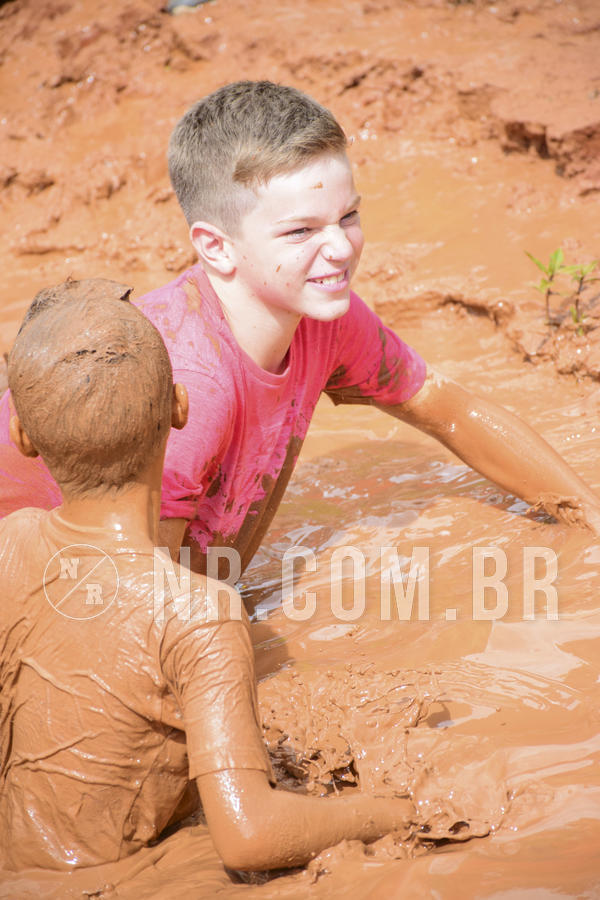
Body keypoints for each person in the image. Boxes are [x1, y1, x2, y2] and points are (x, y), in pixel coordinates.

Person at [1, 81, 599, 572]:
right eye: (301, 231)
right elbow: (137, 600)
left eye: (349, 215)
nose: (340, 248)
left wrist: (588, 520)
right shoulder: (190, 388)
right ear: (216, 246)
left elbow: (447, 408)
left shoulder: (322, 316)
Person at [0, 280, 412, 874]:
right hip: (105, 881)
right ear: (179, 407)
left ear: (22, 438)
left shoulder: (11, 542)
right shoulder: (198, 612)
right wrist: (396, 812)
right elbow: (250, 835)